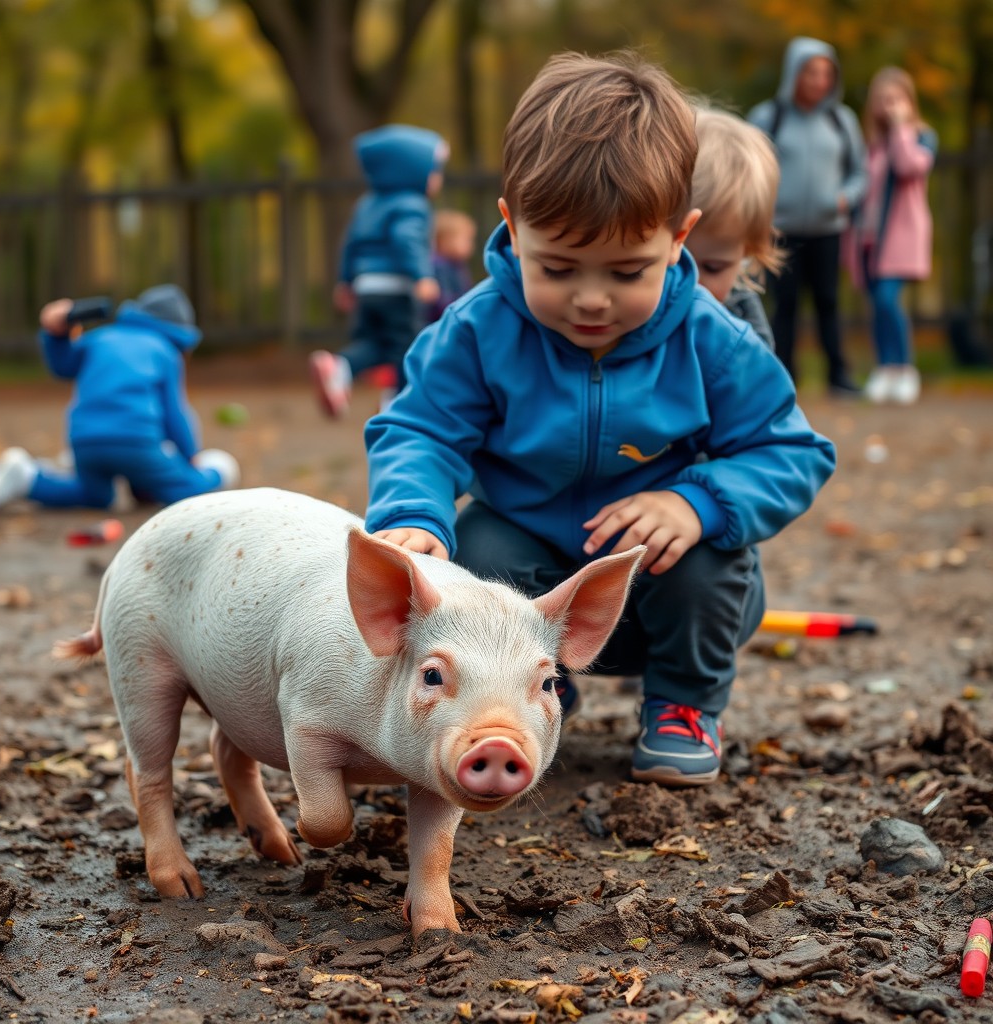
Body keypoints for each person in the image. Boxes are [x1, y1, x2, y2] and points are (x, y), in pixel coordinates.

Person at [362, 52, 837, 788]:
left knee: (711, 552)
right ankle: (531, 689)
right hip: (533, 571)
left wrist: (697, 501)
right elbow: (420, 428)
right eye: (557, 269)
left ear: (679, 238)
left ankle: (683, 706)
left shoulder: (712, 338)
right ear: (512, 230)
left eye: (625, 273)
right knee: (478, 544)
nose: (590, 300)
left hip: (659, 586)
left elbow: (792, 450)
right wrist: (414, 512)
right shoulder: (479, 328)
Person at [0, 285, 239, 514]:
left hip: (85, 442)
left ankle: (29, 478)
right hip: (136, 444)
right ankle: (217, 471)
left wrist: (57, 334)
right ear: (181, 338)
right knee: (182, 487)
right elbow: (174, 413)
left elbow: (62, 365)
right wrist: (191, 455)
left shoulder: (98, 338)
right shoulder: (165, 352)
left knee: (96, 497)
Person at [748, 37, 868, 395]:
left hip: (827, 230)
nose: (818, 81)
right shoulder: (768, 118)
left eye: (825, 74)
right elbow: (748, 168)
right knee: (784, 306)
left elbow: (860, 172)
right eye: (811, 72)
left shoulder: (841, 120)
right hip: (780, 230)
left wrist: (847, 197)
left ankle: (838, 376)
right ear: (794, 74)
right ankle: (783, 377)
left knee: (828, 302)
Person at [309, 124, 449, 419]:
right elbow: (405, 239)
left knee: (376, 343)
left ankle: (340, 367)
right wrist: (421, 275)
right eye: (434, 170)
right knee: (405, 347)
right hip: (396, 287)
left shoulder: (366, 204)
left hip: (366, 286)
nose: (438, 179)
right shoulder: (413, 204)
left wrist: (345, 281)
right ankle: (398, 403)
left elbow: (350, 243)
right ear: (410, 171)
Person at [843, 67, 937, 405]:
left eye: (895, 99)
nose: (889, 106)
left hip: (901, 238)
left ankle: (904, 369)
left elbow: (909, 166)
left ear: (909, 102)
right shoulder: (871, 147)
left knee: (887, 300)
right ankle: (884, 369)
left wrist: (900, 128)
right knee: (876, 306)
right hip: (869, 241)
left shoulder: (921, 138)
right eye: (883, 101)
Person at [686, 106, 783, 349]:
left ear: (748, 250)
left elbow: (764, 383)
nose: (692, 284)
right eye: (674, 263)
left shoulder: (742, 320)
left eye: (712, 267)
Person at [427, 208, 478, 324]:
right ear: (446, 239)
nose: (471, 245)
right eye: (466, 239)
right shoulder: (439, 266)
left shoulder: (457, 264)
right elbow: (444, 303)